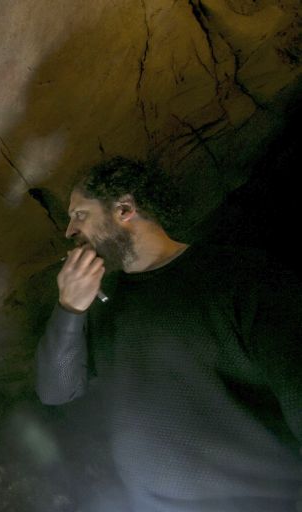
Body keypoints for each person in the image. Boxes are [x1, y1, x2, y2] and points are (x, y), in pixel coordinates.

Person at [35, 157, 302, 511]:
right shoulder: (102, 306)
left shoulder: (242, 278)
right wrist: (69, 309)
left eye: (80, 214)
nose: (69, 230)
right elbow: (56, 390)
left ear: (125, 209)